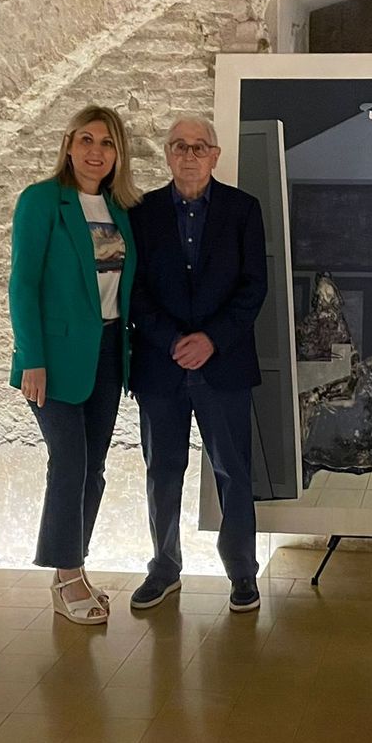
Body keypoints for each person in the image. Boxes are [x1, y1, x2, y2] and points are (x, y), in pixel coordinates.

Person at [128, 116, 267, 613]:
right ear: (167, 154)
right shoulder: (140, 213)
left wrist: (211, 339)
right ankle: (164, 568)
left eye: (199, 147)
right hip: (161, 367)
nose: (189, 155)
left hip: (223, 365)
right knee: (162, 470)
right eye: (179, 146)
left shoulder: (243, 210)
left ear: (215, 155)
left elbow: (254, 287)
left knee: (233, 472)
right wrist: (173, 341)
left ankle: (242, 575)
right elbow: (134, 290)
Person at [8, 105, 139, 623]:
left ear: (117, 154)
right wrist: (32, 359)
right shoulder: (42, 201)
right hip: (54, 358)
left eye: (106, 143)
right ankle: (65, 577)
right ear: (68, 144)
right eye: (85, 140)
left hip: (108, 354)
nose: (95, 152)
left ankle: (75, 565)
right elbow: (23, 284)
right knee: (70, 463)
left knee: (95, 467)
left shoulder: (121, 208)